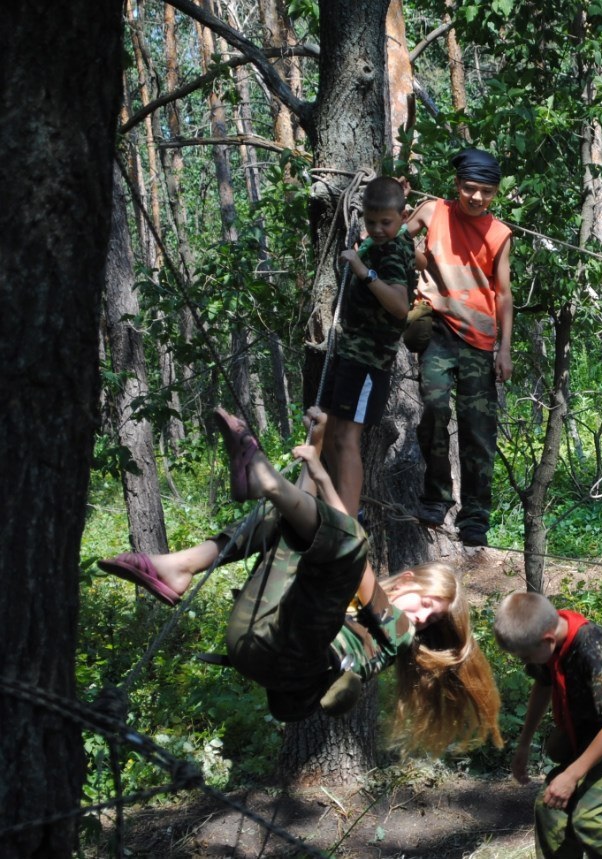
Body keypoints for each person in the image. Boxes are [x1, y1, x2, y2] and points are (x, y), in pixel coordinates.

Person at [98, 408, 502, 748]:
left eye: (432, 619)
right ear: (409, 580)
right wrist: (317, 447)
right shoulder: (354, 598)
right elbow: (315, 519)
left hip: (290, 659)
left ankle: (264, 480)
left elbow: (349, 541)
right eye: (428, 604)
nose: (423, 618)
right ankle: (181, 566)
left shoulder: (398, 634)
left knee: (345, 542)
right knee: (289, 518)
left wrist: (321, 468)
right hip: (256, 634)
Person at [403, 149, 514, 547]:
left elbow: (504, 294)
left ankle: (475, 518)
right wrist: (398, 206)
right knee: (434, 410)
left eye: (486, 191)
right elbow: (394, 236)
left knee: (478, 430)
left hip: (480, 340)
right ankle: (436, 498)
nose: (477, 198)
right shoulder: (433, 211)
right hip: (437, 329)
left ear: (496, 193)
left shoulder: (499, 234)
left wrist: (504, 349)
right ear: (456, 185)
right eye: (469, 188)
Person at [493, 591, 602, 859]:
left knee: (593, 823)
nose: (525, 663)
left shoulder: (593, 650)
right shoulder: (549, 639)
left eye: (526, 657)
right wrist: (524, 745)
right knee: (550, 809)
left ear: (547, 640)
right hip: (586, 731)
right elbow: (543, 683)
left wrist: (571, 775)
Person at [320, 175, 415, 520]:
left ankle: (347, 519)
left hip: (369, 359)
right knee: (332, 433)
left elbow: (401, 306)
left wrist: (364, 271)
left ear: (402, 218)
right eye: (371, 222)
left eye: (385, 223)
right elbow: (401, 227)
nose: (377, 229)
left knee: (346, 437)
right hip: (351, 354)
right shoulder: (395, 238)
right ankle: (340, 508)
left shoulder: (389, 254)